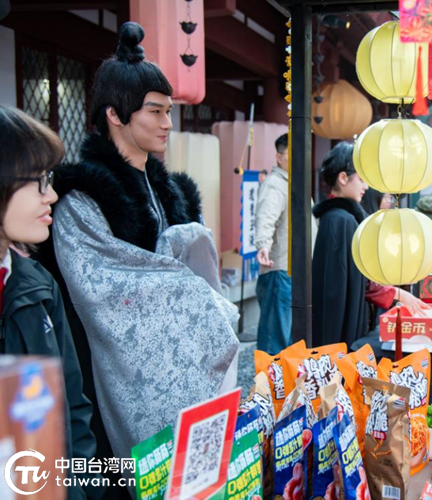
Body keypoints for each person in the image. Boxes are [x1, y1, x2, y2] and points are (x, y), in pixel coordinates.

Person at [33, 22, 239, 482]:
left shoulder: (172, 193)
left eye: (169, 111)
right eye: (155, 111)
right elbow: (101, 290)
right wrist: (185, 285)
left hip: (182, 372)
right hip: (105, 374)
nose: (167, 123)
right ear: (115, 113)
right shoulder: (83, 198)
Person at [0, 105, 102, 499]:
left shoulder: (38, 286)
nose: (52, 195)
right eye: (39, 181)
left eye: (50, 179)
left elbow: (71, 408)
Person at [312, 143, 425, 348]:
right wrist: (398, 294)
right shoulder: (341, 220)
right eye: (362, 179)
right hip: (340, 321)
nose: (366, 187)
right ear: (343, 178)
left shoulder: (337, 217)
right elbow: (358, 281)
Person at [255, 134, 292, 355]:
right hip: (279, 270)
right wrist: (263, 245)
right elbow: (266, 218)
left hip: (290, 272)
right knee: (275, 341)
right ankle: (269, 378)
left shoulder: (291, 183)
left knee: (286, 338)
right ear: (279, 157)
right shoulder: (275, 184)